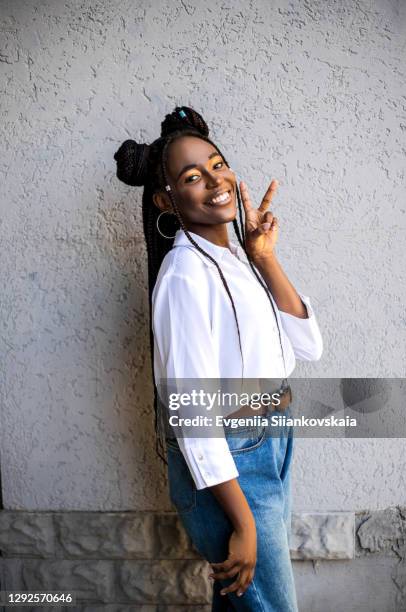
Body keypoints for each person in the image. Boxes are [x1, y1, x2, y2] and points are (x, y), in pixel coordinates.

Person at [114, 106, 323, 611]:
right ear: (167, 199)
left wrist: (265, 257)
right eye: (192, 176)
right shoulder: (185, 276)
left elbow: (308, 347)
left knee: (244, 603)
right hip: (232, 459)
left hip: (271, 437)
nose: (214, 180)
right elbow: (191, 413)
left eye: (216, 164)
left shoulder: (237, 259)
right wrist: (245, 523)